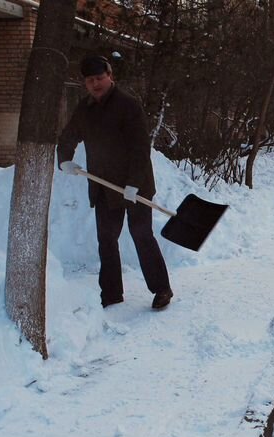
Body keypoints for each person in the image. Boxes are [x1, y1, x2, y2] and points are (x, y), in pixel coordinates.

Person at [57, 55, 173, 310]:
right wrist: (64, 158)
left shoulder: (127, 105)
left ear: (110, 76)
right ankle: (111, 294)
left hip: (134, 185)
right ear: (85, 83)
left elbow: (140, 148)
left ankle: (162, 289)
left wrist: (134, 183)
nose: (95, 84)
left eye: (100, 78)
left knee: (141, 235)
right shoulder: (84, 109)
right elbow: (68, 136)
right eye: (90, 80)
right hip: (103, 187)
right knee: (106, 240)